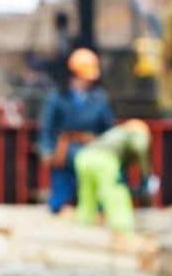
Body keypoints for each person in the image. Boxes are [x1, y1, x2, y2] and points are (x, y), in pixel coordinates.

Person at [38, 48, 115, 213]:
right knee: (62, 187)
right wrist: (46, 149)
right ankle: (60, 206)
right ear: (73, 74)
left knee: (96, 184)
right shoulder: (57, 97)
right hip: (65, 150)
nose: (87, 81)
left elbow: (107, 128)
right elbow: (47, 126)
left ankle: (95, 209)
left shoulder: (99, 98)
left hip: (92, 149)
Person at [74, 119, 157, 233]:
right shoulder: (136, 134)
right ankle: (122, 226)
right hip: (104, 160)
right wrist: (146, 174)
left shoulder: (114, 132)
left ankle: (84, 223)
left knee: (87, 192)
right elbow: (140, 147)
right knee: (114, 191)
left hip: (84, 156)